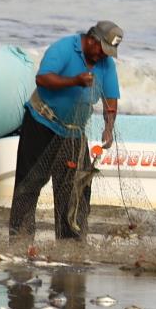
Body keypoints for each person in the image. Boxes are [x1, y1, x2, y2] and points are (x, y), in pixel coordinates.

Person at [8, 21, 122, 241]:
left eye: (109, 52)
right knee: (29, 183)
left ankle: (70, 244)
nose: (103, 55)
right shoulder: (63, 49)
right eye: (102, 49)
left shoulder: (107, 65)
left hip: (73, 133)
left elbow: (111, 101)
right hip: (42, 122)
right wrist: (74, 81)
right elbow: (42, 79)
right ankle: (20, 241)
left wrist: (108, 128)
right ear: (91, 39)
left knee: (74, 190)